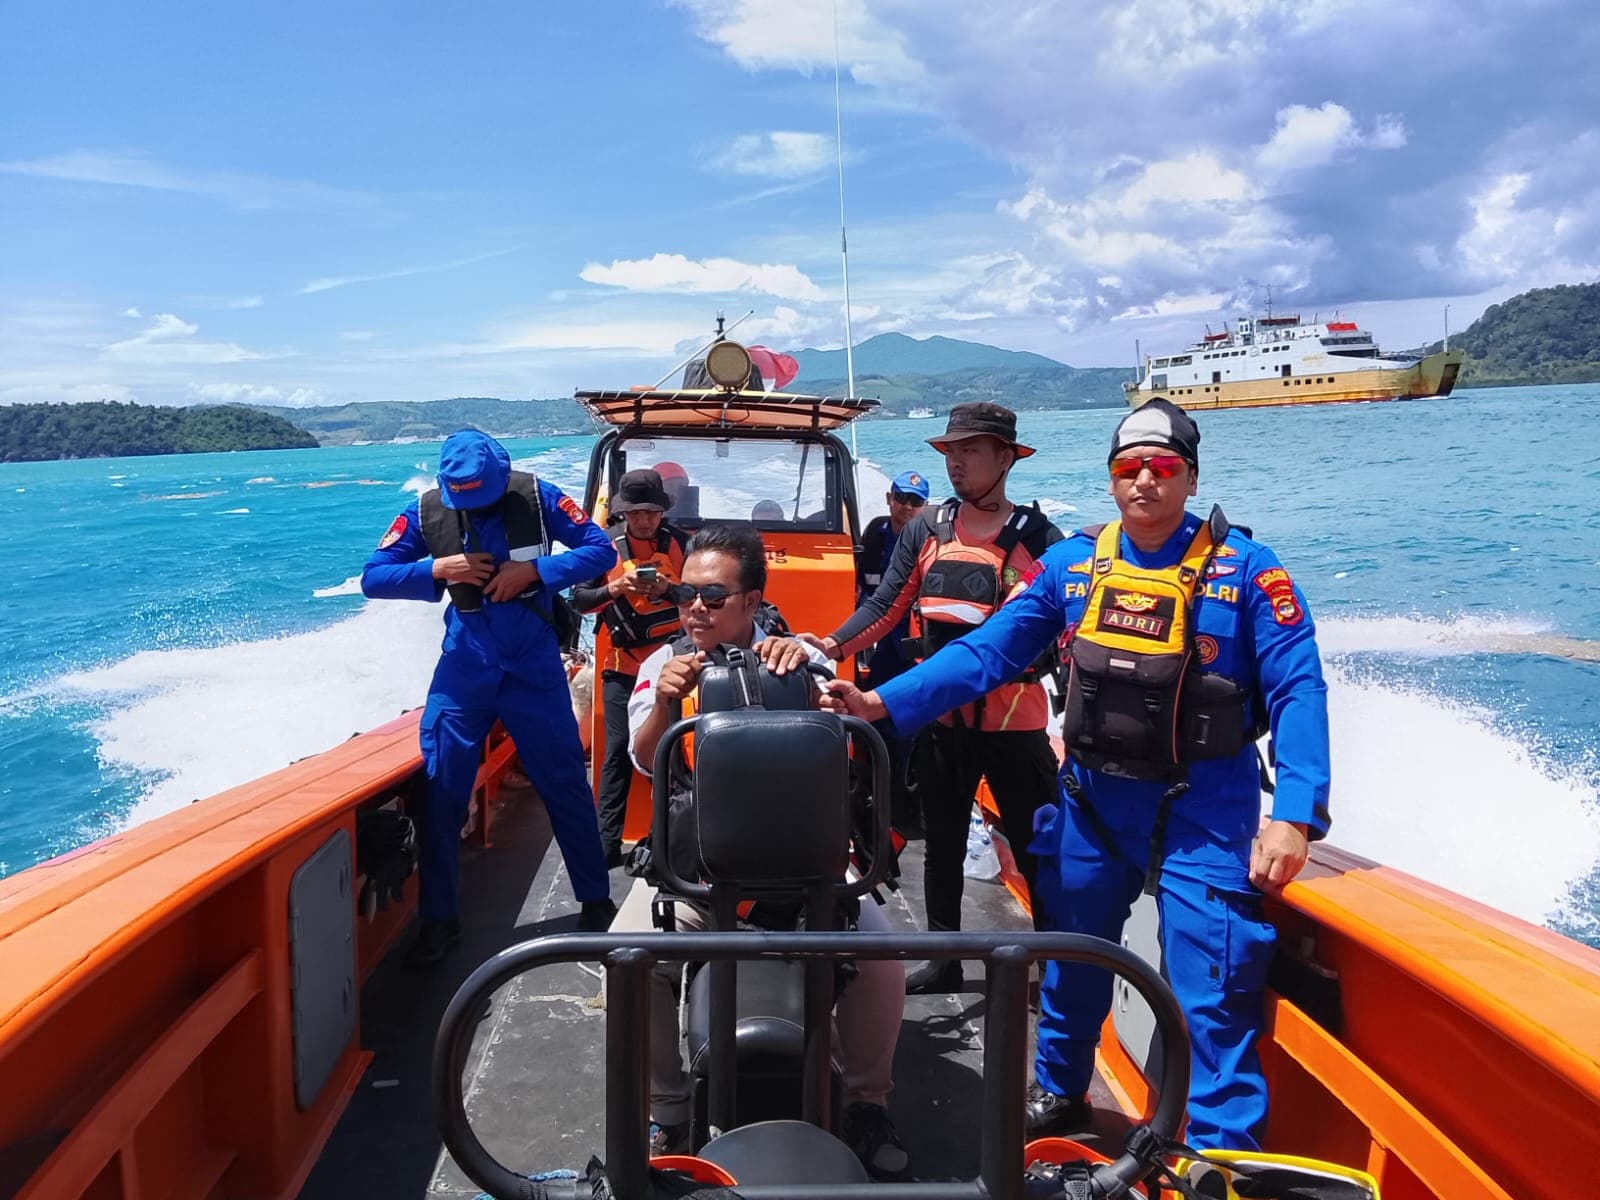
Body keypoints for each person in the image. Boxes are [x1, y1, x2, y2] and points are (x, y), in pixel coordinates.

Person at [821, 399, 1331, 1150]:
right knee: (1071, 954)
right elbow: (985, 653)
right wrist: (880, 702)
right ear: (1112, 480)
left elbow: (1298, 688)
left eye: (1163, 469)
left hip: (1205, 808)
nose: (1146, 483)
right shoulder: (1073, 566)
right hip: (1094, 799)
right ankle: (1061, 1089)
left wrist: (1294, 812)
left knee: (1215, 983)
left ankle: (1222, 1152)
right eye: (1131, 469)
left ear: (1190, 477)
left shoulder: (1250, 573)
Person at [628, 523, 910, 1180]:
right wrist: (668, 700)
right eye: (685, 593)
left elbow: (847, 731)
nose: (695, 607)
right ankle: (667, 1111)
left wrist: (812, 681)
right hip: (698, 866)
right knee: (629, 957)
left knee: (883, 961)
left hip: (803, 862)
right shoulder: (660, 665)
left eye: (714, 595)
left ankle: (867, 1104)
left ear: (752, 602)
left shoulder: (800, 657)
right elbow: (646, 762)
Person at [802, 403, 1063, 994]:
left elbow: (1059, 634)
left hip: (1015, 730)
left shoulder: (1040, 539)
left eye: (970, 451)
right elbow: (887, 608)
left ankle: (1053, 974)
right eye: (950, 452)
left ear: (1005, 457)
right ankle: (945, 959)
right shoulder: (929, 530)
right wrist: (830, 641)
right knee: (941, 843)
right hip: (942, 725)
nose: (956, 463)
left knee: (1037, 853)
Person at [361, 430, 619, 968]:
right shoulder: (425, 511)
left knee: (565, 782)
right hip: (464, 671)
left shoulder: (541, 498)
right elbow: (374, 578)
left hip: (533, 669)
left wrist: (537, 570)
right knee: (441, 792)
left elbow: (601, 548)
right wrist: (438, 569)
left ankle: (595, 899)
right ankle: (439, 919)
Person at [571, 470, 689, 867]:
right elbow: (581, 600)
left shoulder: (680, 545)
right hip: (622, 665)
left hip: (674, 664)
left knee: (677, 750)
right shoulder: (603, 549)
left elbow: (701, 594)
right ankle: (605, 846)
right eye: (636, 512)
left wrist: (667, 590)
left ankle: (669, 839)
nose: (643, 520)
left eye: (651, 512)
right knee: (618, 751)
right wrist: (616, 589)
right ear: (623, 513)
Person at [855, 469, 932, 832]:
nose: (906, 506)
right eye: (901, 498)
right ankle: (874, 789)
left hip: (914, 645)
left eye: (915, 502)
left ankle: (908, 807)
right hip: (881, 641)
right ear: (889, 498)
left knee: (912, 723)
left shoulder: (930, 543)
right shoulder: (875, 534)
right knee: (878, 714)